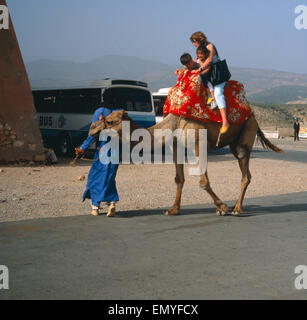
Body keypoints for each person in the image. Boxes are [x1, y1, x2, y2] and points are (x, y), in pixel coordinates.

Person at [75, 90, 122, 216]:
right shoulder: (120, 112)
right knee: (110, 177)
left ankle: (95, 206)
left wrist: (83, 148)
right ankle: (112, 203)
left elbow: (93, 133)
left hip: (102, 151)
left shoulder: (100, 112)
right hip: (116, 152)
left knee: (95, 177)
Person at [190, 31, 230, 133]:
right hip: (207, 77)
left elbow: (209, 60)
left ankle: (225, 122)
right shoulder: (200, 51)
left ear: (198, 39)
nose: (193, 45)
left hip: (217, 76)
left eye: (194, 42)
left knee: (218, 93)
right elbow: (194, 62)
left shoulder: (210, 46)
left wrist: (199, 70)